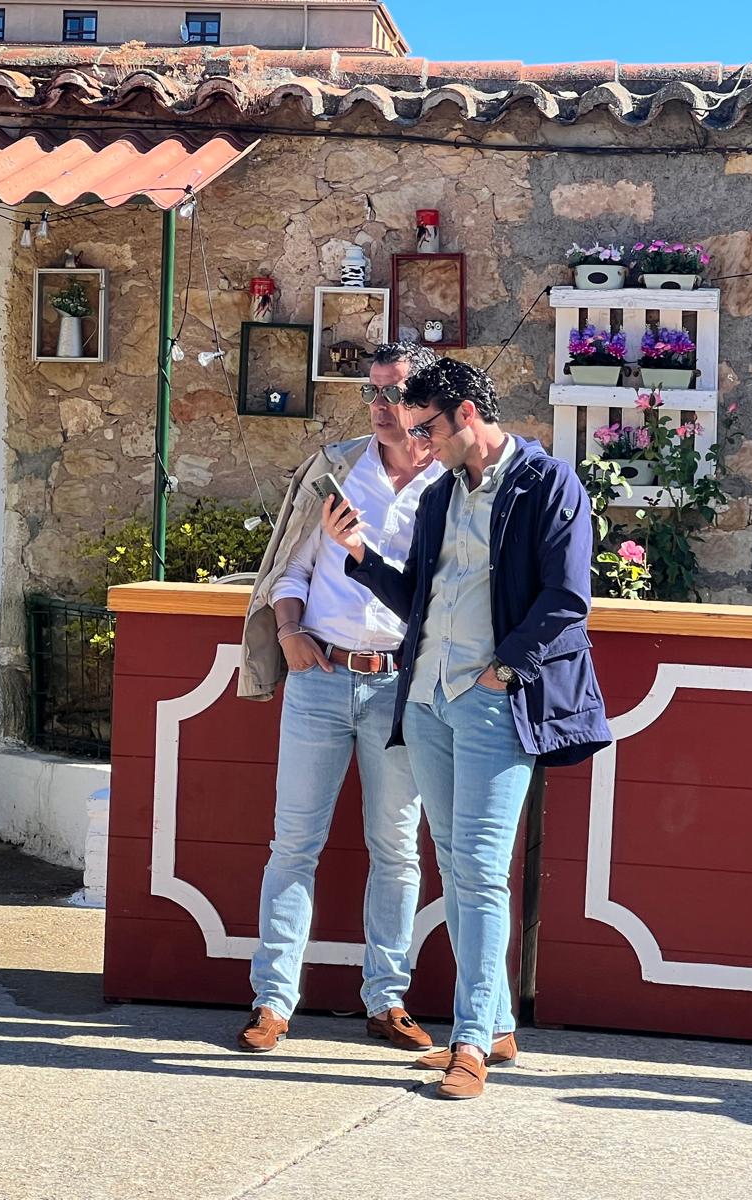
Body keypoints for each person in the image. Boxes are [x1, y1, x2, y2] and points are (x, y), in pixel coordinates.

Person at [320, 357, 611, 1099]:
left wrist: (503, 671)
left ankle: (471, 1042)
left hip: (492, 701)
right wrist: (358, 556)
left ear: (467, 416)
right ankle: (499, 1023)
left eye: (428, 429)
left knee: (479, 871)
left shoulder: (548, 483)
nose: (419, 444)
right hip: (423, 699)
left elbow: (567, 599)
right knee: (457, 867)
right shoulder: (441, 495)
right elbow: (419, 594)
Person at [234, 343, 444, 1054]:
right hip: (321, 675)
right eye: (373, 393)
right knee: (293, 843)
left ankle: (386, 1000)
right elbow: (288, 567)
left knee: (396, 848)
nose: (382, 408)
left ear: (428, 400)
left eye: (396, 393)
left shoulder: (451, 482)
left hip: (398, 682)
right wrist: (289, 629)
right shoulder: (336, 466)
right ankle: (273, 1002)